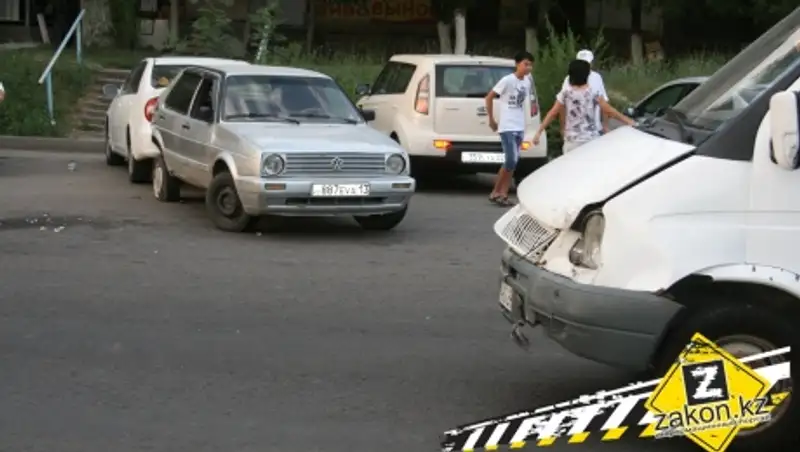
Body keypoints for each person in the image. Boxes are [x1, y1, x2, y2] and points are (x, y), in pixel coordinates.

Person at [534, 59, 634, 153]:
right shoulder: (594, 92)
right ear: (587, 75)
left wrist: (539, 132)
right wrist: (629, 121)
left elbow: (553, 113)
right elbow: (609, 110)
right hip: (590, 139)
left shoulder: (565, 93)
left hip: (572, 140)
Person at [485, 51, 535, 207]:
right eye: (525, 64)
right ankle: (495, 192)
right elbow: (489, 97)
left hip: (519, 126)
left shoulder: (527, 82)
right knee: (510, 160)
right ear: (517, 64)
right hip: (507, 126)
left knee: (512, 162)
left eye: (530, 65)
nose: (528, 68)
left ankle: (502, 193)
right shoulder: (507, 80)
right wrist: (492, 119)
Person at [559, 50, 609, 137]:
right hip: (573, 131)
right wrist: (563, 127)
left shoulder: (597, 77)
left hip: (594, 129)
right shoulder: (569, 79)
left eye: (588, 63)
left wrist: (605, 125)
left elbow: (604, 102)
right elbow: (561, 104)